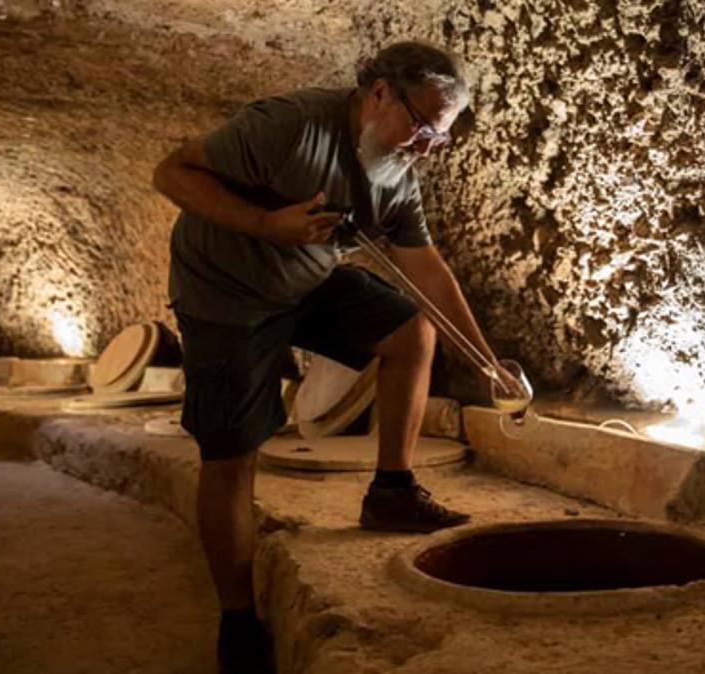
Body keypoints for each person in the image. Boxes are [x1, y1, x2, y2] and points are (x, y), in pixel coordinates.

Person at [151, 42, 510, 673]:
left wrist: (487, 360)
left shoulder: (398, 172)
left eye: (440, 139)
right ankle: (237, 621)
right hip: (226, 295)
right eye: (422, 128)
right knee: (232, 456)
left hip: (306, 279)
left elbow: (425, 268)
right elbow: (171, 173)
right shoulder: (288, 127)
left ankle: (392, 490)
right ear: (378, 95)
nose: (426, 148)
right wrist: (267, 227)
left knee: (411, 333)